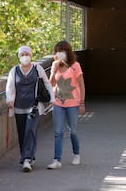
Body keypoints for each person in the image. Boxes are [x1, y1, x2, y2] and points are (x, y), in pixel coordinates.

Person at [5, 45, 54, 172]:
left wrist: (52, 99)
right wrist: (10, 100)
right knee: (22, 133)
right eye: (22, 55)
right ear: (19, 57)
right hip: (18, 107)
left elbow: (47, 84)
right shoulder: (14, 71)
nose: (25, 57)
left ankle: (27, 159)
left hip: (34, 106)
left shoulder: (37, 69)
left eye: (27, 54)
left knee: (30, 130)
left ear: (31, 56)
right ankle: (27, 156)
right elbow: (9, 86)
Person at [47, 40, 85, 170]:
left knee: (72, 130)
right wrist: (53, 70)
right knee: (58, 132)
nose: (60, 53)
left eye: (62, 51)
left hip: (73, 103)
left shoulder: (75, 66)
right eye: (57, 51)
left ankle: (76, 154)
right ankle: (57, 159)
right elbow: (50, 84)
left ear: (67, 52)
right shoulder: (55, 65)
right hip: (58, 103)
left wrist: (82, 103)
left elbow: (81, 84)